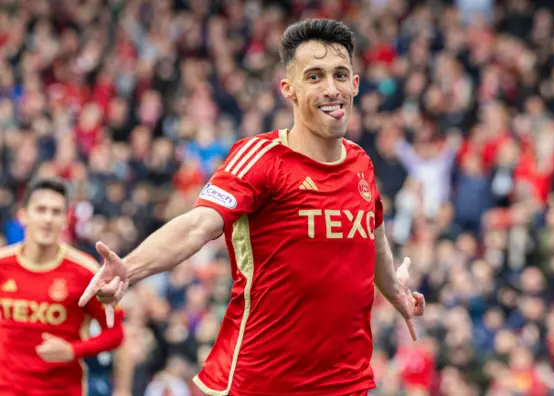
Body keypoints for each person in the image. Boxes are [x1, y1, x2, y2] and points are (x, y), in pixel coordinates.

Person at [79, 19, 425, 396]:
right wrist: (129, 267)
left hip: (346, 383)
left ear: (355, 84)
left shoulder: (361, 163)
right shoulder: (260, 158)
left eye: (340, 75)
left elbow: (372, 239)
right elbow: (197, 226)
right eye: (314, 77)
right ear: (288, 89)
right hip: (261, 383)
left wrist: (395, 292)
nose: (331, 89)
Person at [0, 178, 129, 396]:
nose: (48, 219)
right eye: (41, 210)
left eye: (56, 212)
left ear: (66, 219)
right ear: (23, 216)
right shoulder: (3, 265)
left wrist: (72, 350)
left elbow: (116, 334)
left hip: (62, 389)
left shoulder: (85, 271)